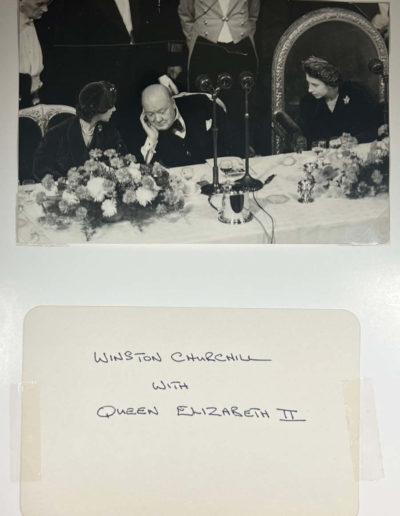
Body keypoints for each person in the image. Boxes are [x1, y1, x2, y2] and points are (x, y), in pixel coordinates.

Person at [178, 0, 260, 156]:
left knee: (239, 104)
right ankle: (208, 157)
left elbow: (253, 13)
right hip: (206, 47)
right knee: (205, 104)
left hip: (240, 44)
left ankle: (241, 156)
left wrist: (243, 30)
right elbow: (185, 13)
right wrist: (193, 39)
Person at [33, 81, 127, 180]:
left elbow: (123, 159)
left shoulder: (110, 132)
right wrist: (66, 182)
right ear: (98, 107)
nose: (114, 109)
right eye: (110, 106)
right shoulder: (57, 133)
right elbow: (40, 167)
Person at [298, 56, 381, 148]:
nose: (309, 89)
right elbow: (308, 138)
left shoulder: (357, 93)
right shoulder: (308, 102)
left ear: (329, 82)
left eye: (315, 85)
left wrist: (357, 139)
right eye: (308, 83)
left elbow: (375, 128)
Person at [138, 84, 225, 168]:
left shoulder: (197, 105)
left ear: (172, 102)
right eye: (150, 114)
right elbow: (145, 174)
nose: (157, 119)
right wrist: (152, 139)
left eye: (162, 112)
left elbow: (224, 118)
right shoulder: (143, 130)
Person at [19, 0, 52, 108]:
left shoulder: (31, 22)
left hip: (32, 100)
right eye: (39, 4)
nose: (45, 9)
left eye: (47, 4)